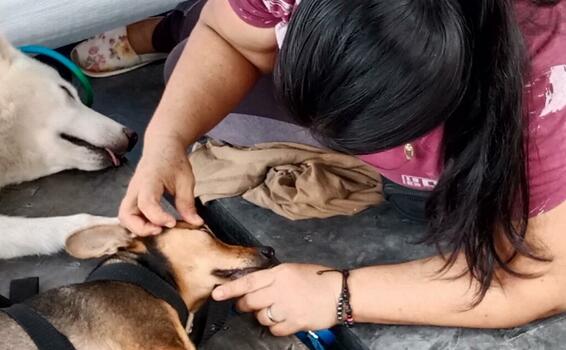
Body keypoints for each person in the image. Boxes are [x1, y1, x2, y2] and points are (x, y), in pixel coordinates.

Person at [74, 0, 566, 336]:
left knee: (436, 212)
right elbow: (228, 37)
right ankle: (179, 23)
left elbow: (544, 278)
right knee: (188, 66)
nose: (326, 147)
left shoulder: (544, 89)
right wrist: (167, 140)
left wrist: (340, 294)